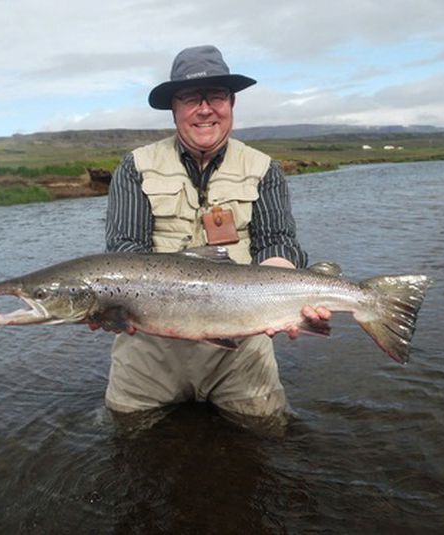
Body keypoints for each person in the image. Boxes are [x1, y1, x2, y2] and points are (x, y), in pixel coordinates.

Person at [102, 45, 331, 427]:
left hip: (242, 343)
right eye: (191, 98)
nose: (205, 108)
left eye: (216, 96)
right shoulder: (134, 167)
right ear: (173, 108)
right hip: (150, 347)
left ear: (232, 103)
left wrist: (285, 303)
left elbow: (277, 242)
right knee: (128, 438)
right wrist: (105, 307)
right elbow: (124, 250)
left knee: (267, 433)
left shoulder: (264, 169)